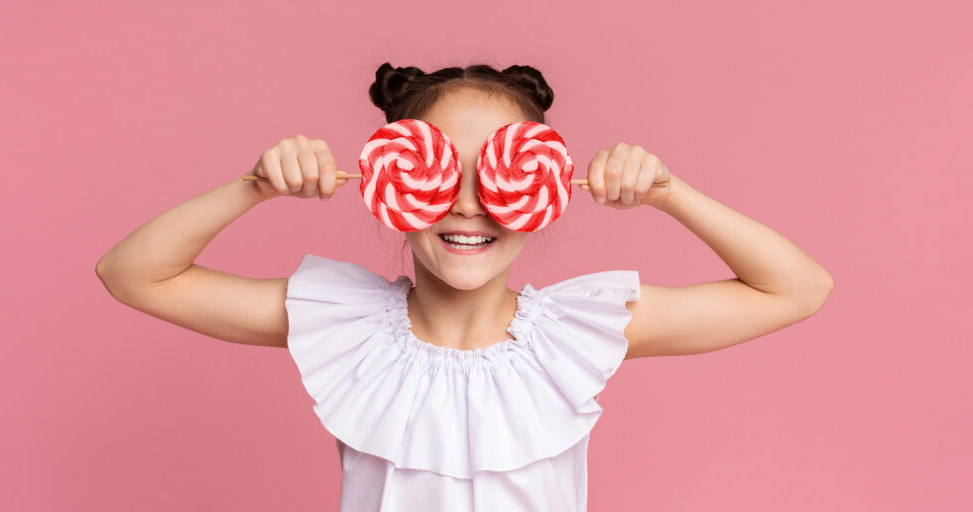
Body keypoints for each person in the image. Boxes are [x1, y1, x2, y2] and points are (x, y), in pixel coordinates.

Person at [95, 62, 834, 511]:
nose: (470, 202)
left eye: (499, 176)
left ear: (547, 188)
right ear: (389, 182)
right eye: (441, 173)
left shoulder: (581, 330)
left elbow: (797, 289)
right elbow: (132, 274)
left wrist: (670, 193)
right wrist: (254, 185)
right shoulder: (343, 324)